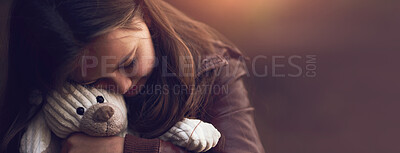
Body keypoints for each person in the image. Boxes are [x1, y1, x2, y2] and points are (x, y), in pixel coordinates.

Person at [0, 0, 265, 152]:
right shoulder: (43, 103)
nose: (124, 86)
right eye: (92, 82)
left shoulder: (212, 68)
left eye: (129, 63)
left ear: (146, 16)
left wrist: (127, 149)